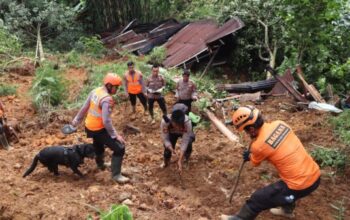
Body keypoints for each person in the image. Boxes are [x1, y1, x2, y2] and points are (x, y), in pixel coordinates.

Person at [221, 106, 321, 220]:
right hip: (314, 175)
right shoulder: (280, 124)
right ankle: (287, 210)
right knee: (283, 186)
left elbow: (255, 163)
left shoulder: (258, 146)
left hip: (301, 185)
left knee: (257, 199)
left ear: (252, 129)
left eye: (246, 130)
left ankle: (240, 218)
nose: (247, 133)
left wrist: (249, 156)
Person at [71, 73, 129, 183]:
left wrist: (76, 121)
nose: (117, 90)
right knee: (119, 148)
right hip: (98, 128)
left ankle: (100, 164)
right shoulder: (107, 99)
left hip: (89, 126)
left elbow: (85, 107)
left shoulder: (95, 91)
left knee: (98, 143)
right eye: (116, 87)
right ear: (109, 85)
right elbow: (106, 121)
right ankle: (116, 175)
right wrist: (115, 135)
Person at [160, 103, 195, 173]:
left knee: (189, 142)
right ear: (171, 120)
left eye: (180, 125)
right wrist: (170, 148)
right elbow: (165, 138)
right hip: (172, 133)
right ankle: (166, 161)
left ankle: (185, 159)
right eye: (176, 125)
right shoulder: (165, 122)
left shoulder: (188, 123)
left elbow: (185, 141)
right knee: (167, 149)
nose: (178, 127)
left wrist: (180, 159)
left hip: (183, 133)